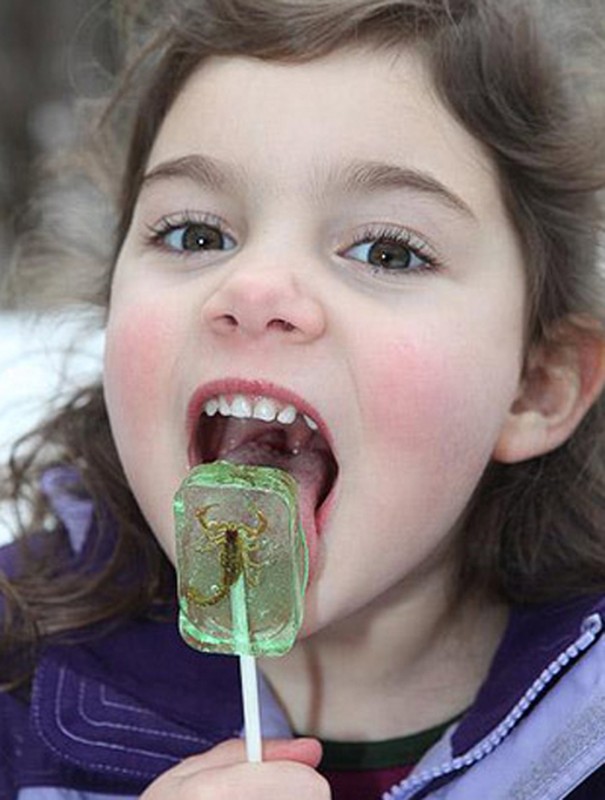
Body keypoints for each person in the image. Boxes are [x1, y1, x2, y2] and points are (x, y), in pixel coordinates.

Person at [2, 0, 605, 797]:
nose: (253, 288)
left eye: (387, 250)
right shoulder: (17, 677)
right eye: (195, 235)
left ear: (536, 386)